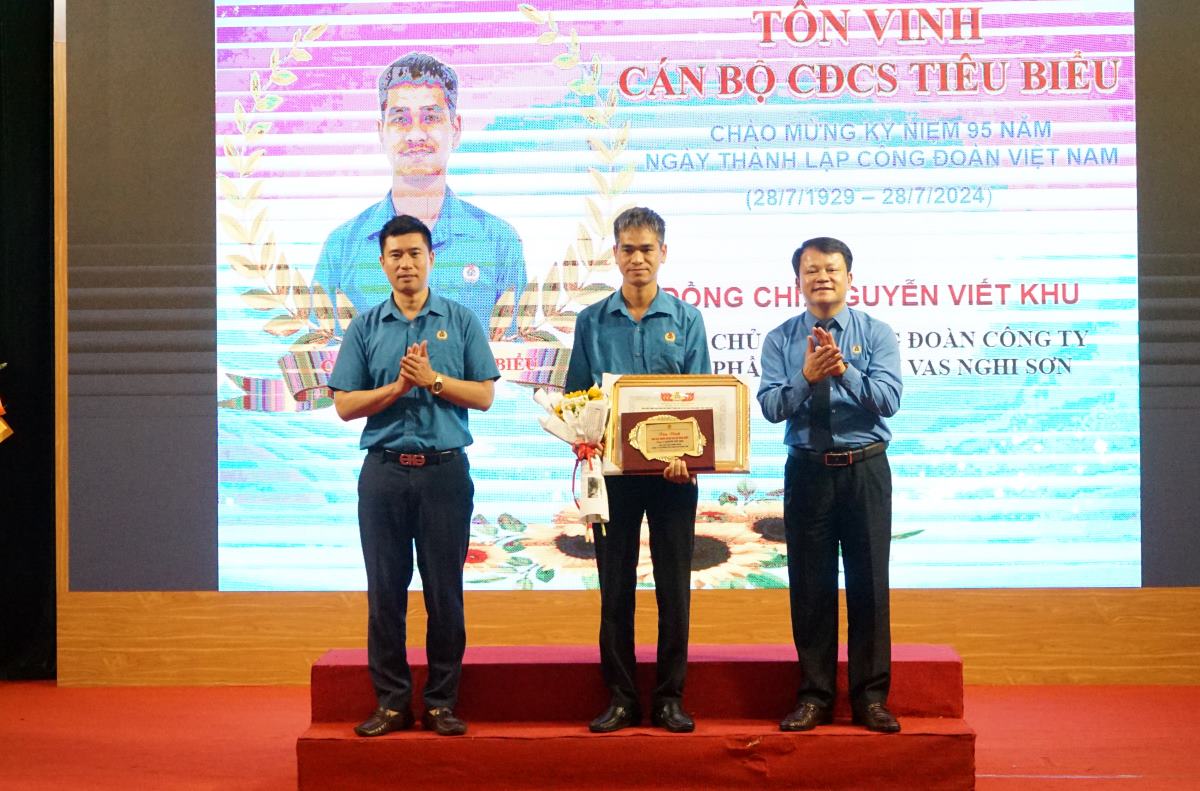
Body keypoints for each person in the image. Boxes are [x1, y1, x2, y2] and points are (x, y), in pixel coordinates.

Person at [328, 214, 500, 737]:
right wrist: (395, 391)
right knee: (385, 592)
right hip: (382, 474)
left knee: (444, 593)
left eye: (415, 254)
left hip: (444, 475)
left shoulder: (462, 319)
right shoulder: (365, 326)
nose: (406, 264)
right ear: (382, 264)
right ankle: (392, 703)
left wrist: (434, 380)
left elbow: (486, 395)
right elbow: (344, 404)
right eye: (395, 255)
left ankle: (443, 702)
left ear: (431, 259)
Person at [564, 207, 711, 734]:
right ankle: (622, 697)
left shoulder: (688, 320)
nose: (637, 259)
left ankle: (670, 697)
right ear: (614, 255)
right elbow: (577, 395)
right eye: (628, 249)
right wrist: (586, 438)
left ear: (663, 253)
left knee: (675, 588)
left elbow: (702, 402)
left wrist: (689, 456)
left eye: (647, 249)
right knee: (615, 590)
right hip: (613, 478)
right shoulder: (590, 321)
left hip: (674, 478)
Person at [757, 237, 904, 734]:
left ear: (849, 277)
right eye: (811, 270)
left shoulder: (877, 333)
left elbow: (887, 400)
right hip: (808, 471)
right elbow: (773, 407)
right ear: (798, 280)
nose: (822, 277)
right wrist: (805, 376)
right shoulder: (780, 339)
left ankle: (871, 699)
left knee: (869, 588)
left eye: (832, 269)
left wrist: (843, 371)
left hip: (865, 469)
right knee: (811, 587)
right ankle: (815, 696)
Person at [314, 52, 527, 335]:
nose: (415, 134)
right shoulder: (342, 247)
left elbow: (518, 358)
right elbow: (320, 360)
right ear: (381, 132)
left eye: (430, 117)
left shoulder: (499, 242)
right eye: (400, 119)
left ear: (456, 129)